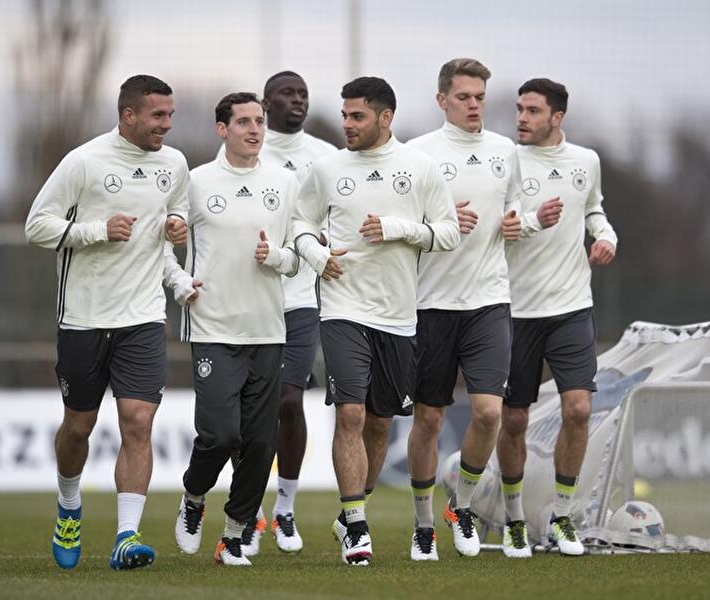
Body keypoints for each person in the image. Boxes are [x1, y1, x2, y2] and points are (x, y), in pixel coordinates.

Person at [291, 76, 460, 566]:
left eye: (357, 116)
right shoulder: (326, 170)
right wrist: (315, 256)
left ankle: (351, 509)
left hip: (399, 318)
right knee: (350, 412)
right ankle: (357, 525)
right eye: (344, 115)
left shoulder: (420, 168)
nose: (347, 124)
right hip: (343, 309)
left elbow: (447, 233)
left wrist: (396, 229)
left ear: (385, 118)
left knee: (380, 424)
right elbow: (299, 225)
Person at [25, 74, 190, 570]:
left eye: (170, 115)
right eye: (158, 115)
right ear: (129, 115)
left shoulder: (175, 164)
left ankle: (126, 536)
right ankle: (70, 505)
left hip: (142, 318)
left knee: (138, 422)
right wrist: (97, 230)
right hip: (84, 318)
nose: (167, 124)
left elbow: (173, 221)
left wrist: (176, 227)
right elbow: (37, 226)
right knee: (79, 427)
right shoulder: (84, 161)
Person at [405, 59, 561, 561]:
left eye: (479, 97)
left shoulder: (505, 152)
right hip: (431, 305)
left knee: (490, 413)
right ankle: (424, 522)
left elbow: (514, 212)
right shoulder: (417, 155)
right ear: (442, 100)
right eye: (464, 97)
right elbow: (404, 229)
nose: (474, 105)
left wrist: (520, 224)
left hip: (490, 301)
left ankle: (463, 507)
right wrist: (442, 221)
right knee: (429, 419)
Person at [166, 92, 299, 567]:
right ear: (222, 129)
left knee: (261, 444)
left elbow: (297, 249)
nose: (254, 129)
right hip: (213, 327)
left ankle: (235, 535)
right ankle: (193, 497)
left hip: (267, 330)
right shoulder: (197, 182)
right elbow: (165, 243)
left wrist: (277, 257)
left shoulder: (285, 182)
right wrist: (179, 280)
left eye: (259, 121)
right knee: (221, 435)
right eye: (243, 121)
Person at [498, 78, 618, 557]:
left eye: (531, 111)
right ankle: (513, 520)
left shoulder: (585, 161)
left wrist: (606, 237)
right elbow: (498, 229)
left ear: (557, 118)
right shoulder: (505, 161)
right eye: (519, 109)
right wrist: (531, 223)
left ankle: (563, 517)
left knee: (579, 409)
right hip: (513, 310)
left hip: (571, 307)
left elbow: (595, 211)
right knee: (513, 419)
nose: (521, 118)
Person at [218, 71, 336, 555]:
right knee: (244, 413)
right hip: (247, 301)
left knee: (289, 402)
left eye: (303, 93)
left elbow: (336, 217)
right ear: (265, 105)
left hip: (300, 299)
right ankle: (250, 510)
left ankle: (284, 508)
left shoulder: (326, 157)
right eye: (286, 94)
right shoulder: (244, 152)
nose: (297, 101)